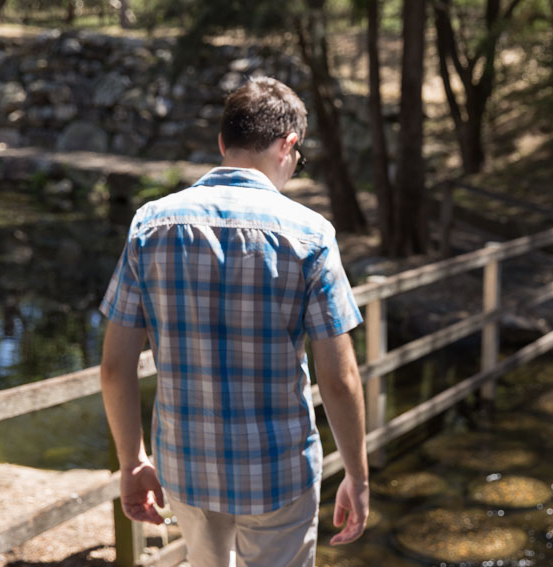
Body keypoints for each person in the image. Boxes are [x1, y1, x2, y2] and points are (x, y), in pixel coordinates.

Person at [99, 76, 369, 567]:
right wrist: (357, 475)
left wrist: (132, 461)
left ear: (223, 143)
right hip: (279, 471)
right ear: (288, 145)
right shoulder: (311, 235)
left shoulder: (150, 225)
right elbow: (339, 376)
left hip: (185, 468)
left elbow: (115, 367)